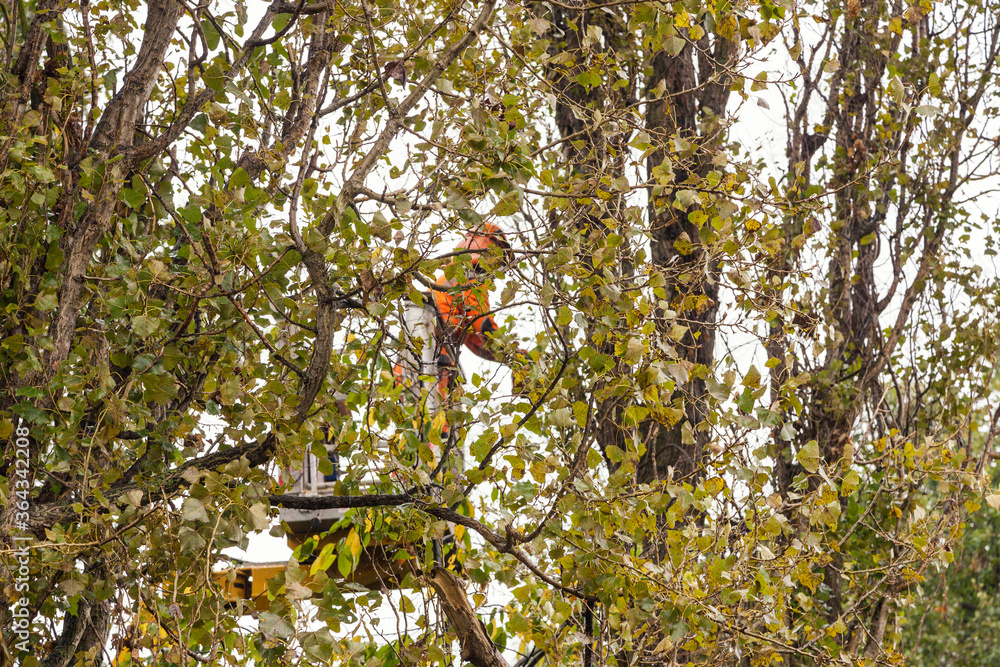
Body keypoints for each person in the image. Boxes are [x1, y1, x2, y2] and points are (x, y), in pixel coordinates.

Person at [395, 224, 523, 440]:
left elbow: (478, 342)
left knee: (422, 437)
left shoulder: (458, 278)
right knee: (427, 433)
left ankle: (437, 440)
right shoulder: (469, 279)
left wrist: (512, 359)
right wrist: (517, 356)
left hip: (419, 365)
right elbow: (485, 328)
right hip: (431, 359)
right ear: (486, 246)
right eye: (498, 253)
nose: (499, 263)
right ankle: (437, 436)